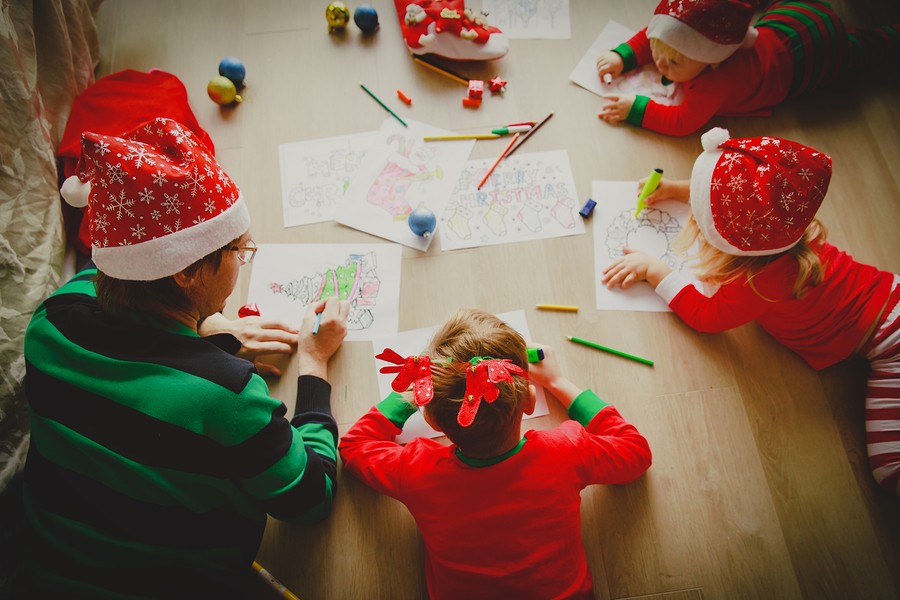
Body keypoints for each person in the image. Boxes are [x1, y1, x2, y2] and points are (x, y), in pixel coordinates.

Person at [17, 118, 350, 597]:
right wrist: (314, 363)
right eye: (239, 249)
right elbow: (310, 500)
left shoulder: (51, 318)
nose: (245, 256)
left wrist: (216, 328)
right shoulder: (225, 395)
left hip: (45, 569)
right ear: (187, 273)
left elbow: (139, 359)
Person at [601, 127, 899, 494]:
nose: (693, 215)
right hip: (892, 294)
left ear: (732, 246)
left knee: (890, 472)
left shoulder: (758, 283)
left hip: (891, 344)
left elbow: (706, 316)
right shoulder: (788, 222)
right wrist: (678, 189)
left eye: (699, 210)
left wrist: (654, 269)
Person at [339, 308, 652, 599]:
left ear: (430, 418)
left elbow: (353, 446)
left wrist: (411, 391)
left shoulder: (418, 471)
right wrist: (557, 381)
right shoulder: (566, 452)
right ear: (528, 401)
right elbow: (635, 452)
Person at [596, 0, 900, 136]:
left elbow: (681, 122)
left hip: (814, 53)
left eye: (674, 61)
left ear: (713, 60)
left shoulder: (716, 80)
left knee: (863, 49)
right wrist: (623, 56)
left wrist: (634, 109)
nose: (659, 62)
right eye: (657, 49)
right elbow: (653, 35)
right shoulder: (696, 43)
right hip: (789, 16)